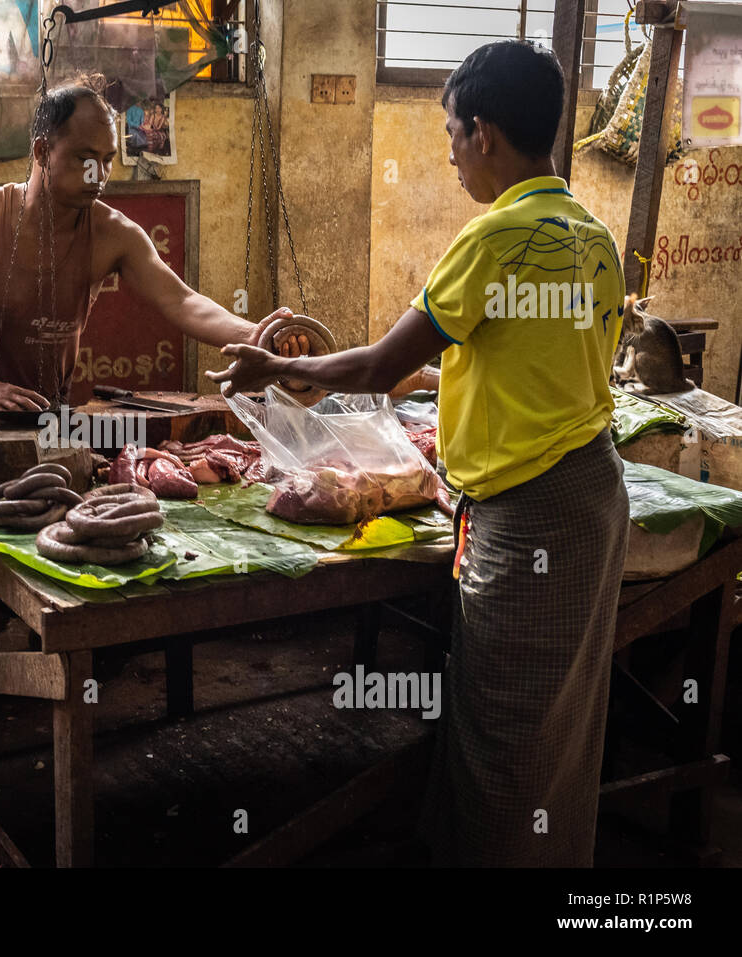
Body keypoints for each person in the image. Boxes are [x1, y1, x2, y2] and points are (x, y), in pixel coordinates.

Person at [208, 40, 628, 867]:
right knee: (564, 725)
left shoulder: (494, 237)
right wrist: (448, 376)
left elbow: (370, 364)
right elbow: (536, 359)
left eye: (450, 134)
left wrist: (275, 366)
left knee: (506, 730)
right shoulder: (593, 237)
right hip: (592, 498)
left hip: (533, 515)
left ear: (485, 133)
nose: (448, 155)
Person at [0, 81, 300, 425]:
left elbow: (183, 301)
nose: (100, 174)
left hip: (47, 414)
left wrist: (257, 336)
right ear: (42, 152)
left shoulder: (115, 234)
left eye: (108, 160)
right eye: (84, 158)